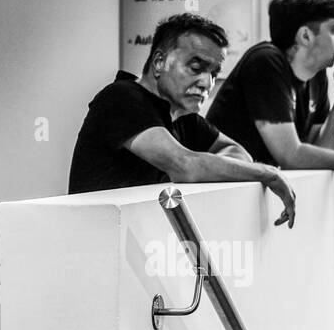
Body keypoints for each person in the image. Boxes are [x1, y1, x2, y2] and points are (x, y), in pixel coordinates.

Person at [68, 13, 296, 227]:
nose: (207, 83)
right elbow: (184, 166)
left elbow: (238, 153)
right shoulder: (122, 97)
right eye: (196, 68)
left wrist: (205, 164)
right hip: (95, 246)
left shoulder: (184, 118)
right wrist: (267, 173)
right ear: (159, 62)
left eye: (214, 73)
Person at [207, 0, 334, 185]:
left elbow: (327, 151)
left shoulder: (317, 76)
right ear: (305, 36)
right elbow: (291, 157)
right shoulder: (265, 61)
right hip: (217, 195)